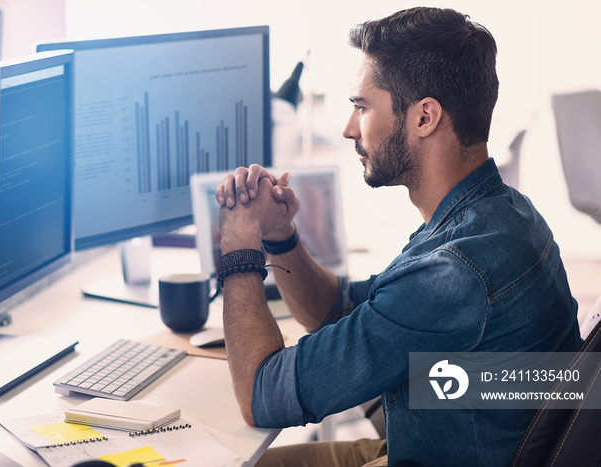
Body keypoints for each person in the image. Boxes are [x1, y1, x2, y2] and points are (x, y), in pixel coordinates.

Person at [214, 7, 582, 467]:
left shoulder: (453, 274)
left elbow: (258, 394)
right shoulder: (502, 215)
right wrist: (279, 236)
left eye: (362, 107)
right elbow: (334, 310)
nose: (349, 128)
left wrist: (238, 243)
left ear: (425, 117)